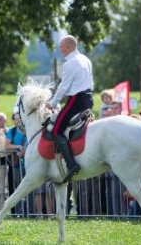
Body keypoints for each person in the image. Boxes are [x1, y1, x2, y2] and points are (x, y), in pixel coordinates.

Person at [45, 35, 94, 183]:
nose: (60, 50)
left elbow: (63, 87)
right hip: (89, 99)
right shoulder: (85, 59)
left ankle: (72, 165)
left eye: (61, 47)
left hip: (76, 101)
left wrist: (52, 104)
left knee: (56, 130)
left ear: (68, 46)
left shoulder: (69, 64)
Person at [5, 112, 27, 215]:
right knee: (18, 189)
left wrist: (24, 150)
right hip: (17, 165)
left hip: (29, 165)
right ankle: (19, 212)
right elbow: (7, 145)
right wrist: (18, 147)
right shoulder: (11, 131)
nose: (18, 120)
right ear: (13, 121)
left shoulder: (28, 130)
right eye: (16, 119)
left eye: (19, 118)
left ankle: (30, 212)